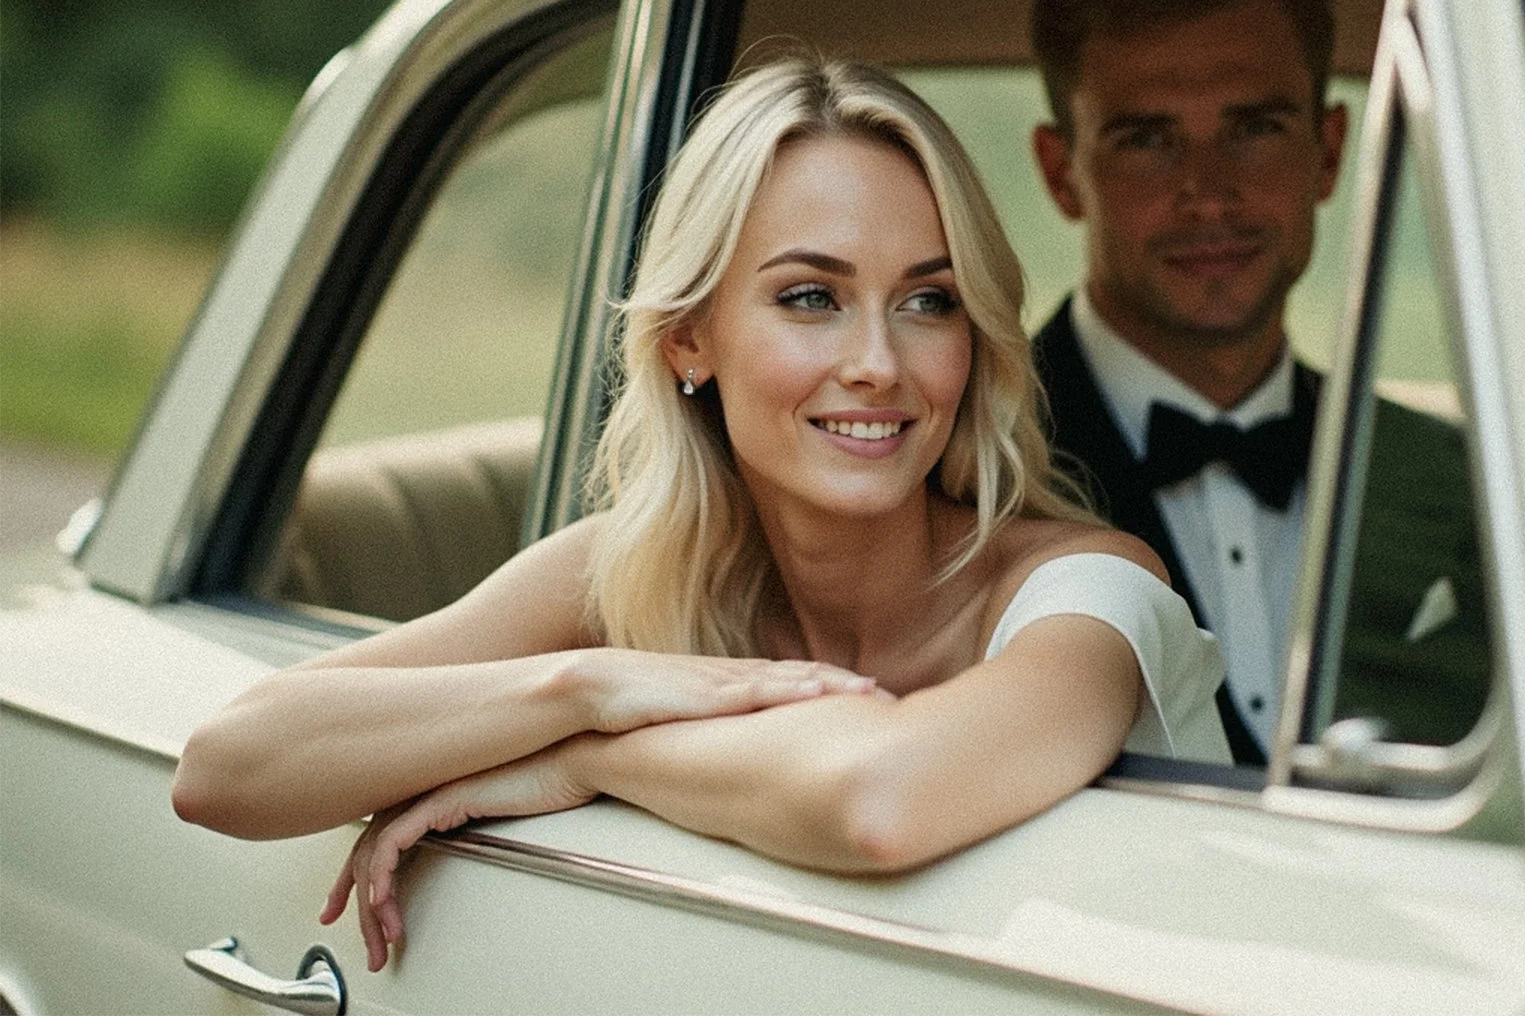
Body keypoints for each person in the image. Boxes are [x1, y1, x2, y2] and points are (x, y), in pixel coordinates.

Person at [174, 57, 1229, 973]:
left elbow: (879, 802)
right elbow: (228, 765)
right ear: (689, 339)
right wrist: (586, 686)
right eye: (811, 297)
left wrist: (585, 757)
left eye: (928, 301)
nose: (878, 363)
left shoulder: (1091, 590)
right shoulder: (629, 572)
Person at [1028, 0, 1488, 764]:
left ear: (1329, 150)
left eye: (1254, 129)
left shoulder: (1466, 482)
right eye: (1148, 139)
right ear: (1062, 174)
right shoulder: (961, 462)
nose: (1209, 192)